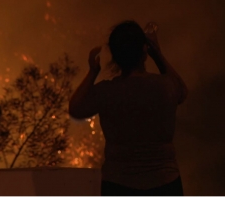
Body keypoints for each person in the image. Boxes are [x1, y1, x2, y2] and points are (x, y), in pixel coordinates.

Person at [69, 20, 188, 196]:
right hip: (165, 182)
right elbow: (182, 91)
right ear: (144, 51)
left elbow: (76, 109)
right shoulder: (165, 86)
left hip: (119, 184)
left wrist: (93, 70)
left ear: (114, 57)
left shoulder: (107, 91)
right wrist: (157, 52)